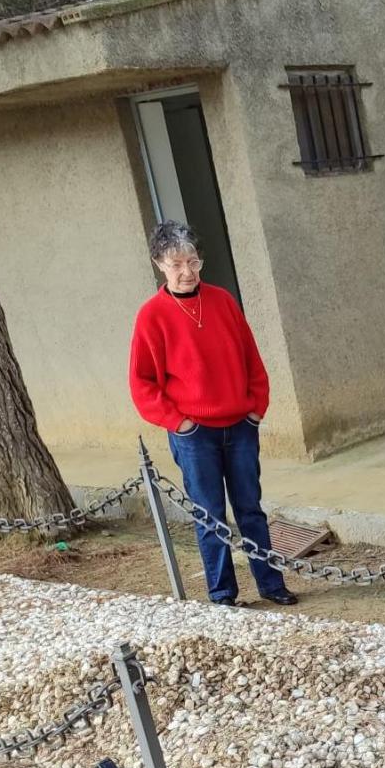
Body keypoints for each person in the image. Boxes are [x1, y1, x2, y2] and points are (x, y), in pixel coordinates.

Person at [128, 221, 297, 609]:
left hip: (239, 425)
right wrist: (179, 423)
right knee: (210, 515)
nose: (187, 272)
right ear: (159, 265)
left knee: (250, 509)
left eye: (193, 261)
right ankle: (223, 594)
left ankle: (271, 583)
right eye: (176, 264)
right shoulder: (152, 316)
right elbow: (142, 383)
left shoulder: (222, 301)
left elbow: (252, 359)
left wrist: (256, 409)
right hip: (194, 433)